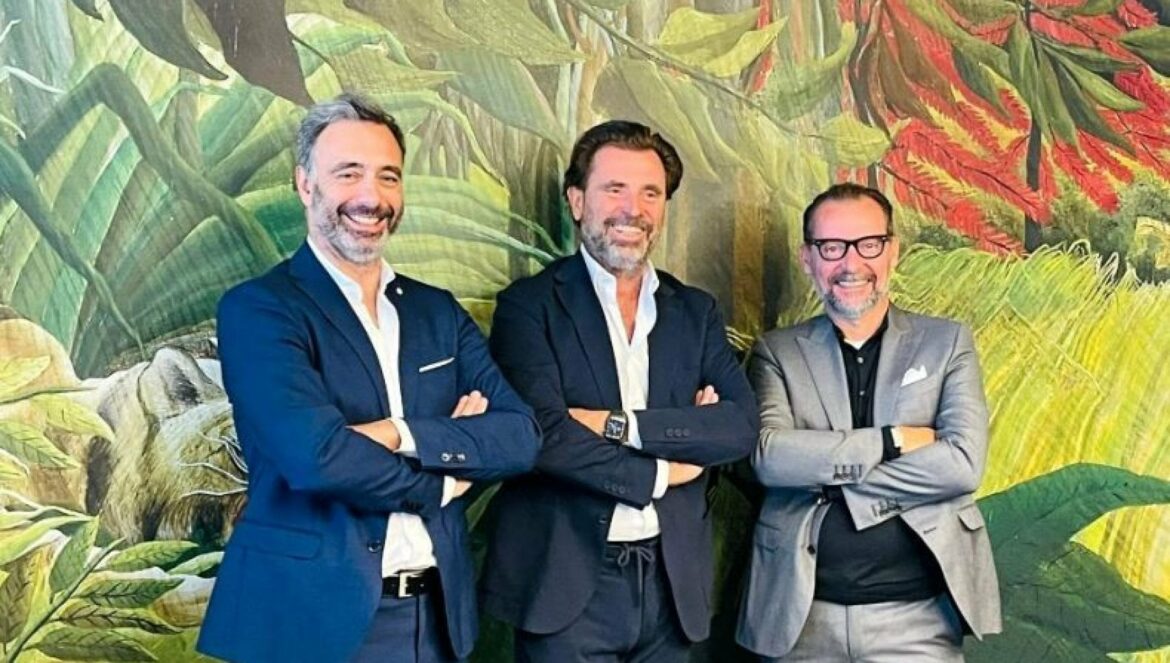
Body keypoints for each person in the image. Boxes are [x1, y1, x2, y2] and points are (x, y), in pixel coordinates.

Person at [197, 94, 541, 663]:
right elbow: (317, 457)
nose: (371, 197)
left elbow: (519, 436)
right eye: (348, 173)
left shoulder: (437, 311)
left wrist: (397, 433)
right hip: (308, 623)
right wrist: (441, 481)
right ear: (305, 184)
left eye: (388, 176)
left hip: (435, 620)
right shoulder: (260, 309)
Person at [483, 120, 760, 662]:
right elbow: (543, 435)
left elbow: (737, 427)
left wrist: (618, 424)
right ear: (577, 200)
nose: (633, 209)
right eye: (615, 189)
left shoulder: (695, 311)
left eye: (650, 193)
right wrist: (665, 469)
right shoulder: (529, 306)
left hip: (672, 584)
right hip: (566, 587)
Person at [736, 183, 1001, 662]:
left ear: (892, 251)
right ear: (807, 258)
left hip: (918, 621)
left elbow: (962, 464)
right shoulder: (777, 352)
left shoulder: (946, 343)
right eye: (832, 247)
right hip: (800, 618)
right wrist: (891, 440)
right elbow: (770, 459)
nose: (851, 263)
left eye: (868, 244)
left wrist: (827, 477)